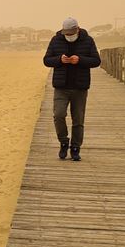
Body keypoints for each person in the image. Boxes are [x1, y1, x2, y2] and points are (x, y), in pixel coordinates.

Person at [42, 17, 101, 161]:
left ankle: (75, 148)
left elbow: (96, 61)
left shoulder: (88, 40)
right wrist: (59, 60)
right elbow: (46, 60)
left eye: (71, 33)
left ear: (77, 29)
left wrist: (80, 60)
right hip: (61, 87)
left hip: (80, 88)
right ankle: (63, 142)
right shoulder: (56, 40)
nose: (68, 36)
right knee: (59, 115)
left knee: (78, 120)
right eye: (66, 34)